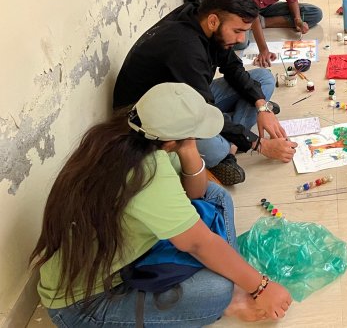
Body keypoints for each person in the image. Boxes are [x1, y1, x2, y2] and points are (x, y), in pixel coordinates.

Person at [32, 83, 293, 326]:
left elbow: (198, 194)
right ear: (169, 141)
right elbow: (197, 243)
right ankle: (230, 295)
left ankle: (232, 276)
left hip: (130, 253)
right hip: (83, 303)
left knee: (217, 195)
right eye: (192, 134)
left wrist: (188, 148)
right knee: (217, 290)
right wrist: (261, 286)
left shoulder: (131, 132)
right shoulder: (146, 171)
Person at [113, 0, 296, 186]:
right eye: (237, 30)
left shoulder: (201, 19)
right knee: (215, 148)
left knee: (264, 79)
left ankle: (232, 142)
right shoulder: (185, 50)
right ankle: (226, 148)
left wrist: (262, 107)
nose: (241, 39)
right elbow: (204, 110)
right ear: (213, 21)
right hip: (150, 126)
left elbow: (233, 68)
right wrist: (260, 145)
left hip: (186, 98)